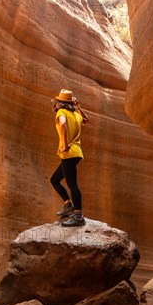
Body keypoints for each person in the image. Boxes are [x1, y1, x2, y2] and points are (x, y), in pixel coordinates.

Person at [49, 89, 90, 227]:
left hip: (69, 153)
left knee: (72, 184)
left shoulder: (62, 113)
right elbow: (87, 120)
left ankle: (78, 216)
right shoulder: (77, 114)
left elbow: (62, 123)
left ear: (60, 103)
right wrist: (78, 107)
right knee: (54, 180)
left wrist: (65, 144)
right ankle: (68, 205)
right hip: (76, 152)